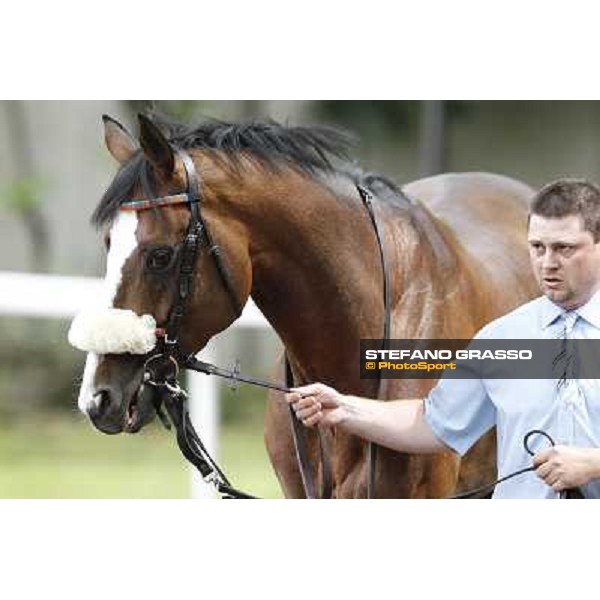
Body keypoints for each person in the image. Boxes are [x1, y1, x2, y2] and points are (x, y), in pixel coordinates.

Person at [286, 178, 600, 498]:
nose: (548, 263)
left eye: (564, 248)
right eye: (538, 247)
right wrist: (344, 409)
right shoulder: (503, 337)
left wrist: (593, 463)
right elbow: (434, 422)